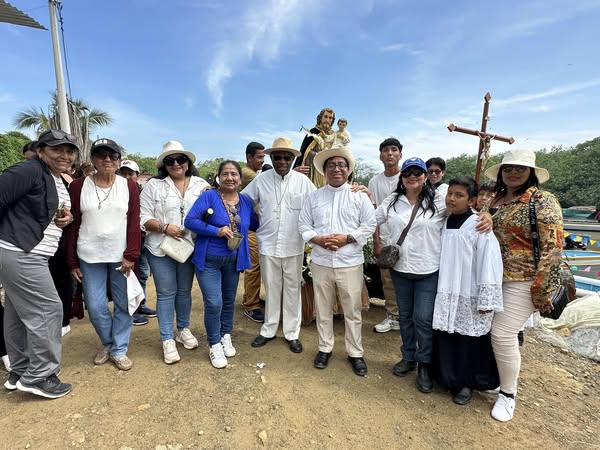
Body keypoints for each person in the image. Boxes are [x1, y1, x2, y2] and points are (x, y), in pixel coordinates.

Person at [484, 150, 563, 422]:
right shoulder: (495, 199)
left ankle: (508, 394)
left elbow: (553, 247)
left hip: (524, 278)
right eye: (509, 168)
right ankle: (497, 380)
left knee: (502, 334)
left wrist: (541, 288)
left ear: (531, 173)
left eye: (520, 168)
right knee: (491, 331)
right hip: (493, 277)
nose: (514, 173)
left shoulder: (542, 200)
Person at [0, 129, 77, 398]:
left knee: (17, 313)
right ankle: (40, 375)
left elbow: (38, 209)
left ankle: (20, 370)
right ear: (41, 151)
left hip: (25, 252)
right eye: (57, 149)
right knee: (48, 309)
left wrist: (65, 219)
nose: (64, 155)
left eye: (69, 150)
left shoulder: (52, 176)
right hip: (20, 252)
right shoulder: (28, 170)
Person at [298, 146, 376, 376]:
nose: (336, 169)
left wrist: (347, 238)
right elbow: (303, 224)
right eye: (331, 165)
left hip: (349, 261)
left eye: (341, 165)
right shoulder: (313, 197)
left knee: (352, 309)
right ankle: (325, 348)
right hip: (321, 261)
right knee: (323, 308)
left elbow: (369, 224)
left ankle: (355, 352)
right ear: (324, 171)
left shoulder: (359, 196)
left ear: (348, 170)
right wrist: (318, 240)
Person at [66, 138, 141, 371]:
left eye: (113, 155)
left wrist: (131, 254)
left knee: (123, 303)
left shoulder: (128, 186)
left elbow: (134, 223)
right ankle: (109, 344)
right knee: (96, 306)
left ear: (119, 160)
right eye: (101, 155)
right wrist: (72, 261)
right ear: (93, 159)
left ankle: (119, 349)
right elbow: (73, 225)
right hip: (89, 255)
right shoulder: (78, 186)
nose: (107, 159)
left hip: (120, 256)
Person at [431, 176, 503, 405]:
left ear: (471, 200)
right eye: (450, 193)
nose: (452, 199)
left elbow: (489, 262)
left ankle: (466, 383)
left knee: (468, 339)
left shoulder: (478, 225)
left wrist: (486, 298)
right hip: (446, 288)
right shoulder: (444, 220)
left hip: (468, 290)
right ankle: (445, 377)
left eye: (459, 195)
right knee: (446, 334)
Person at [243, 137, 316, 353]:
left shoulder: (303, 182)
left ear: (293, 159)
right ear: (271, 158)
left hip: (294, 244)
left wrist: (353, 190)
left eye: (286, 158)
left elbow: (319, 203)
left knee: (293, 289)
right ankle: (269, 329)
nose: (282, 161)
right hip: (268, 244)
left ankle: (292, 333)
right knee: (272, 288)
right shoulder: (261, 180)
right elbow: (243, 201)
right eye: (277, 157)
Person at [139, 141, 209, 364]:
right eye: (170, 160)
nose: (176, 164)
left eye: (181, 159)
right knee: (166, 292)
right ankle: (167, 338)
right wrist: (164, 227)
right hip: (160, 247)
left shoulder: (201, 185)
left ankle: (183, 329)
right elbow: (143, 217)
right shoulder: (154, 185)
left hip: (188, 247)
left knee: (184, 291)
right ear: (164, 165)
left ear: (188, 162)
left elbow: (211, 210)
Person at [185, 161, 258, 369]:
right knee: (214, 302)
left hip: (233, 260)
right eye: (225, 174)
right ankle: (214, 343)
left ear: (240, 179)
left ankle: (226, 334)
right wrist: (216, 230)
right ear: (218, 177)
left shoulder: (245, 201)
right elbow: (190, 221)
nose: (229, 178)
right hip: (209, 259)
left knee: (228, 301)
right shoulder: (209, 196)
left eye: (234, 174)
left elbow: (254, 224)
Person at [369, 137, 403, 333]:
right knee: (388, 282)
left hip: (408, 239)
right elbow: (373, 214)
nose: (390, 153)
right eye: (385, 150)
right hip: (385, 239)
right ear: (380, 155)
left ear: (400, 154)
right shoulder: (375, 181)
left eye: (394, 149)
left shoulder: (408, 177)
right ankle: (393, 317)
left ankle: (409, 319)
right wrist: (376, 242)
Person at [118, 159, 157, 327]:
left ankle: (140, 304)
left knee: (142, 273)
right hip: (125, 240)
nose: (127, 177)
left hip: (142, 238)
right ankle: (129, 310)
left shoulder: (143, 191)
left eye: (130, 173)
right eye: (123, 173)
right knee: (128, 275)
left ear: (137, 175)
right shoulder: (116, 191)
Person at [240, 141, 266, 323]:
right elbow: (266, 181)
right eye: (259, 157)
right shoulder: (249, 174)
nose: (262, 160)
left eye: (264, 157)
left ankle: (251, 297)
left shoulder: (253, 174)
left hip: (255, 226)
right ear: (249, 157)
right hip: (250, 228)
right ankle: (251, 305)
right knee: (253, 267)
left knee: (256, 266)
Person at [294, 107, 336, 187]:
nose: (328, 120)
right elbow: (303, 152)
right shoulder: (312, 133)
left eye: (330, 118)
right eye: (325, 116)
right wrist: (296, 168)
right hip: (312, 170)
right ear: (320, 118)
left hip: (327, 172)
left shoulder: (333, 135)